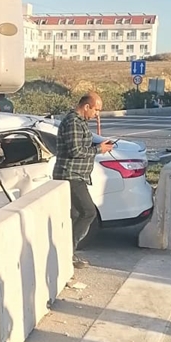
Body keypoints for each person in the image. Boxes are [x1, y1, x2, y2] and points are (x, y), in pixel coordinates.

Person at [53, 91, 114, 261]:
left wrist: (99, 145)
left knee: (75, 215)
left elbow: (81, 144)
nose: (96, 115)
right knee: (88, 212)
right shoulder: (73, 122)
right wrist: (98, 150)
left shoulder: (80, 122)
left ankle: (68, 253)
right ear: (86, 106)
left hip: (77, 175)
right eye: (96, 110)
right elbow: (75, 151)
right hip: (70, 175)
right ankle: (68, 250)